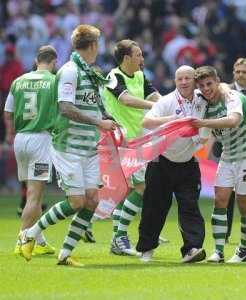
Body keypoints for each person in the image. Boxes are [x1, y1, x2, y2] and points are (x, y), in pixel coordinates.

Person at [19, 25, 117, 267]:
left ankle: (65, 254)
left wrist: (108, 121)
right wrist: (98, 122)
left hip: (89, 147)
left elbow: (93, 105)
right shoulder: (70, 71)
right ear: (93, 45)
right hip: (68, 146)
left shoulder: (90, 72)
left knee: (92, 201)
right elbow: (66, 108)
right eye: (99, 43)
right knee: (76, 202)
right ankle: (29, 233)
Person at [193, 66, 246, 263]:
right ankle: (218, 251)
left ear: (218, 81)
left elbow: (233, 120)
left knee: (244, 203)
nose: (206, 88)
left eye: (209, 84)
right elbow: (203, 137)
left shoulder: (231, 97)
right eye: (202, 86)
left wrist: (203, 123)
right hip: (228, 155)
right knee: (220, 199)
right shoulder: (204, 105)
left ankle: (244, 249)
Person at [135, 65, 207, 263]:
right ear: (175, 82)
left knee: (190, 206)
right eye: (179, 79)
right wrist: (174, 120)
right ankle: (146, 249)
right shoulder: (167, 101)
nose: (183, 82)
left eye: (187, 78)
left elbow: (222, 88)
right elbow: (146, 122)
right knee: (154, 207)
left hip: (188, 162)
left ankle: (192, 249)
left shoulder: (203, 99)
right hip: (161, 161)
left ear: (195, 80)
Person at [101, 39, 161, 256]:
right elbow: (125, 100)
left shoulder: (140, 75)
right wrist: (154, 106)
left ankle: (119, 237)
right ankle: (120, 236)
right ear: (126, 58)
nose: (142, 59)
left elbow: (154, 95)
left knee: (128, 190)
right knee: (141, 187)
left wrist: (169, 106)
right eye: (138, 55)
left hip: (139, 140)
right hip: (121, 141)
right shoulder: (113, 77)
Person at [4, 45, 58, 256]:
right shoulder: (54, 82)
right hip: (41, 140)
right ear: (53, 63)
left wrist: (9, 134)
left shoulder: (18, 81)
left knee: (29, 191)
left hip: (20, 139)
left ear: (36, 60)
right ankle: (22, 239)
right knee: (35, 196)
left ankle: (39, 240)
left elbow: (7, 112)